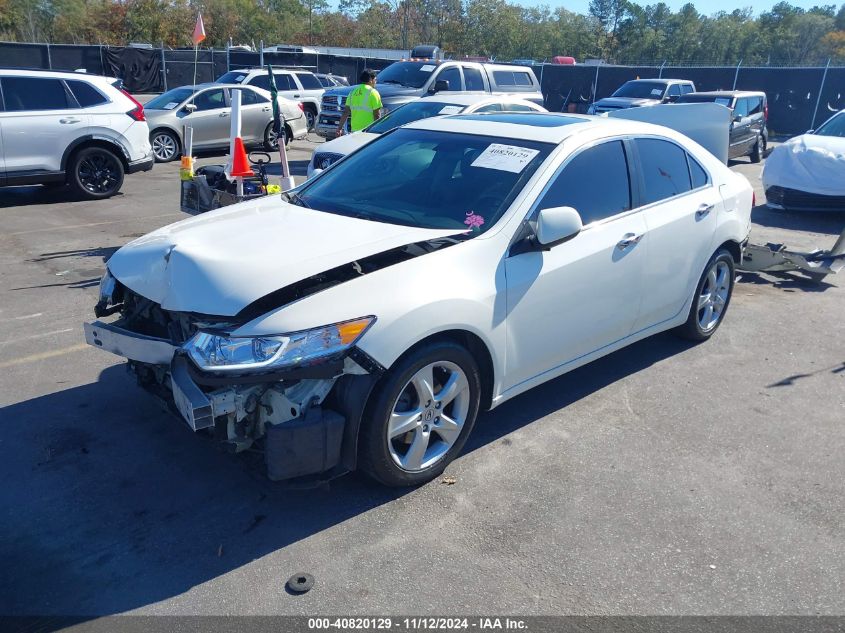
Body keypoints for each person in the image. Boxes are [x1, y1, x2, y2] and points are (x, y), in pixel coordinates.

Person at [336, 69, 383, 136]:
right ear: (370, 80)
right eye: (375, 80)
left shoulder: (352, 92)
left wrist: (339, 128)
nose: (375, 82)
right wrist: (378, 130)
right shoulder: (373, 92)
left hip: (354, 131)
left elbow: (346, 112)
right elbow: (377, 115)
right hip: (368, 131)